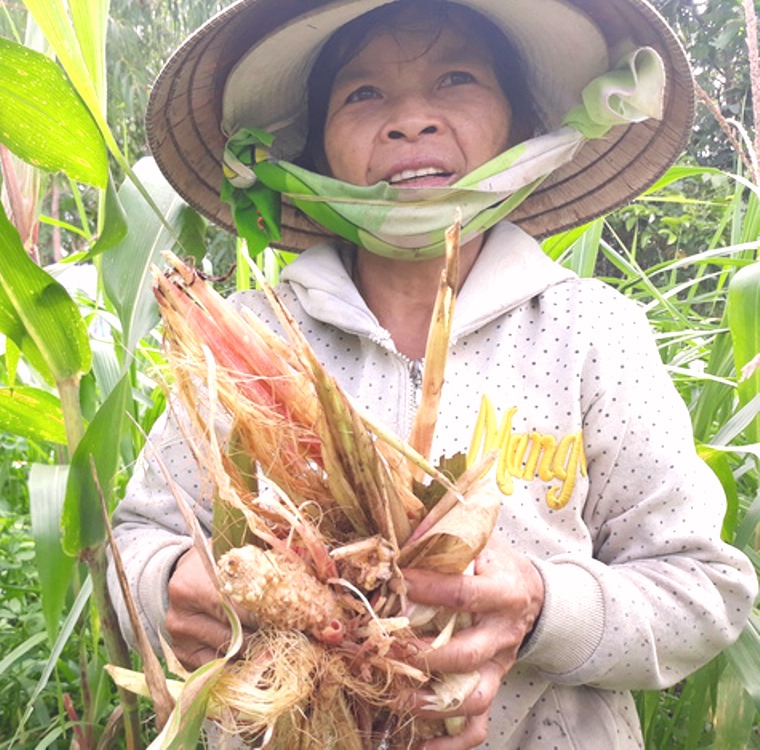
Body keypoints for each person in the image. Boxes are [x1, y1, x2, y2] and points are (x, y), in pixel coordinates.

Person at [109, 0, 758, 747]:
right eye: (363, 93)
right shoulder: (248, 339)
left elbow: (705, 591)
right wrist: (166, 586)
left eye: (456, 79)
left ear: (520, 125)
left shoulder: (591, 335)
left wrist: (541, 608)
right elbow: (138, 543)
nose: (410, 120)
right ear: (313, 150)